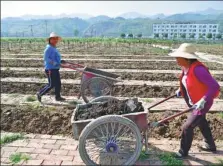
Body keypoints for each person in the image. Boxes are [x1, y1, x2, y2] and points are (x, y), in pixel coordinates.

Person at [169, 43, 220, 158]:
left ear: (187, 58)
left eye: (178, 57)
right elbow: (189, 81)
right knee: (202, 122)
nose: (176, 60)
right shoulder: (186, 68)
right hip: (195, 102)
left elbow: (215, 86)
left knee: (187, 126)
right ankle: (210, 145)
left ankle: (183, 152)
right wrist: (180, 90)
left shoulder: (198, 69)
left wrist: (204, 100)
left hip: (202, 103)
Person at [37, 32, 65, 102]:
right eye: (53, 39)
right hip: (50, 69)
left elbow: (55, 57)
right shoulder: (48, 48)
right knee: (51, 84)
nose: (55, 40)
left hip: (55, 68)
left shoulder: (54, 47)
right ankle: (40, 93)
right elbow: (46, 58)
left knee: (58, 83)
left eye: (56, 39)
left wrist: (60, 61)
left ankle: (58, 97)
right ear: (50, 40)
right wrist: (55, 63)